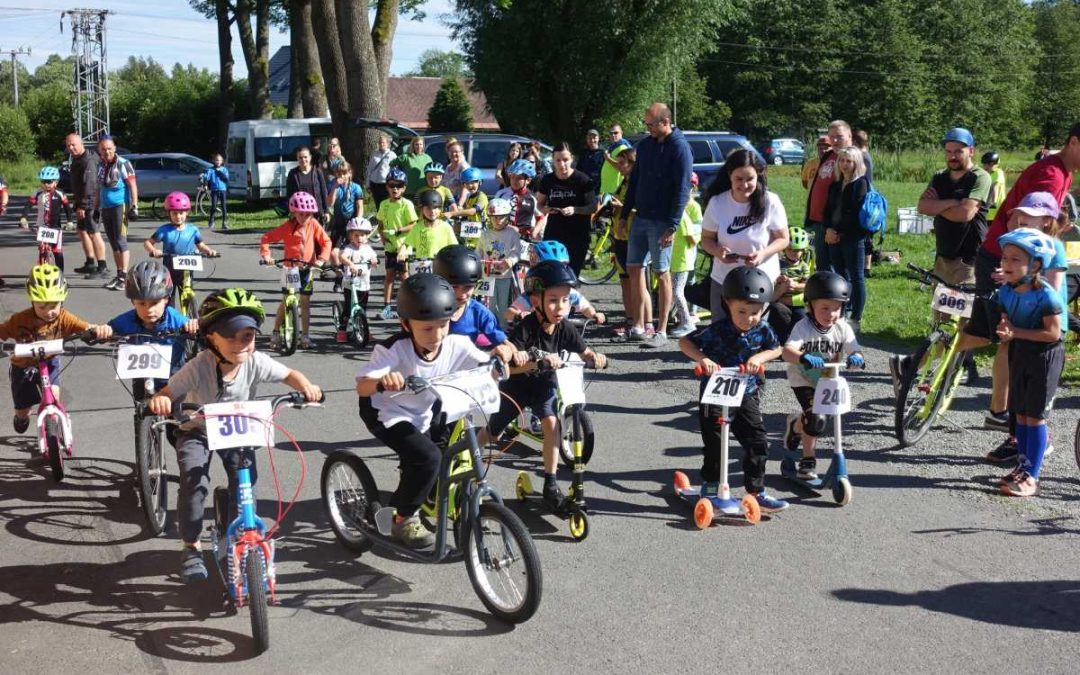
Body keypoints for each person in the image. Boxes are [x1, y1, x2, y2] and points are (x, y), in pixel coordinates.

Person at [147, 288, 322, 580]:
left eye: (248, 336)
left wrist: (306, 387)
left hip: (237, 429)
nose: (241, 344)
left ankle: (238, 534)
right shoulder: (198, 365)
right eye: (230, 335)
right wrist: (162, 400)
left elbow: (290, 374)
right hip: (198, 429)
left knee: (246, 483)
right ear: (210, 337)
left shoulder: (255, 360)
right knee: (194, 482)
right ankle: (191, 545)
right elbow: (168, 391)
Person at [355, 274, 493, 548]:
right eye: (427, 329)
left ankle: (414, 497)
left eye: (443, 325)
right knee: (427, 457)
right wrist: (384, 381)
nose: (437, 335)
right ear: (406, 324)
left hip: (425, 409)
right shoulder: (393, 349)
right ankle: (403, 520)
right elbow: (362, 386)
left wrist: (504, 360)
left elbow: (485, 363)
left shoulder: (455, 342)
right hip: (386, 412)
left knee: (440, 454)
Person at [974, 122, 1080, 431]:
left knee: (994, 331)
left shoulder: (1062, 170)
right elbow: (1032, 227)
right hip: (1010, 258)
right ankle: (1006, 417)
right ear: (1074, 142)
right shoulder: (1052, 173)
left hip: (1012, 257)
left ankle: (1005, 418)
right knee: (1001, 334)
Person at [484, 261, 607, 509]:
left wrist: (596, 358)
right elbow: (509, 367)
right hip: (516, 388)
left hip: (543, 387)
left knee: (552, 425)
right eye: (552, 300)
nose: (560, 307)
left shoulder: (566, 328)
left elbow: (584, 352)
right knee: (492, 433)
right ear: (535, 301)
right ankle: (464, 456)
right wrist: (533, 361)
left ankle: (550, 483)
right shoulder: (525, 328)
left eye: (565, 300)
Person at [677, 266, 789, 513]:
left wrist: (760, 358)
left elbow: (777, 348)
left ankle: (756, 491)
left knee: (757, 440)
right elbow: (685, 342)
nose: (748, 318)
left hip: (744, 392)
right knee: (715, 442)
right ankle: (710, 485)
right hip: (714, 393)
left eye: (755, 312)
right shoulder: (717, 330)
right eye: (742, 311)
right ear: (727, 304)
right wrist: (702, 359)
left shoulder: (762, 329)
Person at [964, 229, 1063, 496]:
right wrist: (1005, 326)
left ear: (1036, 265)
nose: (1007, 264)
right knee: (1019, 415)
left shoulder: (1046, 296)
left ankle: (1032, 476)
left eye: (1016, 260)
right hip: (1019, 351)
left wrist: (1015, 332)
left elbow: (1053, 333)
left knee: (1035, 417)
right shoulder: (1005, 292)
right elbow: (1006, 318)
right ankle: (1022, 466)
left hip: (1045, 356)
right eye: (1005, 258)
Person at [916, 127, 992, 379]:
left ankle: (956, 369)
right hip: (943, 259)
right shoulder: (939, 177)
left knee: (962, 322)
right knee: (941, 321)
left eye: (958, 151)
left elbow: (966, 214)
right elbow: (922, 206)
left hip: (968, 260)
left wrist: (940, 206)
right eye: (948, 151)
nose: (952, 156)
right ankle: (946, 368)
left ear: (971, 151)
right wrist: (951, 203)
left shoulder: (980, 177)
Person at [1, 264, 112, 433]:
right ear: (32, 301)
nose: (49, 312)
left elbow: (84, 326)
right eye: (42, 306)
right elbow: (3, 331)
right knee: (23, 409)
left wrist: (98, 330)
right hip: (23, 365)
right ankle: (21, 417)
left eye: (54, 305)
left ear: (62, 300)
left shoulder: (64, 318)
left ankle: (52, 425)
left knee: (54, 395)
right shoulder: (20, 320)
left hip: (49, 361)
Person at [621, 102, 693, 348]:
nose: (648, 128)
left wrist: (672, 226)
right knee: (633, 268)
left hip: (663, 221)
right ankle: (639, 325)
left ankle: (661, 330)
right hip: (640, 217)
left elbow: (683, 189)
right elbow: (635, 181)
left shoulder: (680, 148)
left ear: (665, 122)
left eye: (651, 124)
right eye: (646, 124)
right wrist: (623, 215)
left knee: (662, 273)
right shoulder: (645, 146)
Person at [781, 271, 864, 480]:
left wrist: (856, 358)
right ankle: (808, 461)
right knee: (816, 419)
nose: (831, 314)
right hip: (803, 379)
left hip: (827, 382)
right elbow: (787, 351)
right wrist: (803, 357)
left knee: (815, 420)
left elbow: (856, 350)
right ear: (810, 306)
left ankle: (795, 425)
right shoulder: (803, 327)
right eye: (824, 308)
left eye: (836, 308)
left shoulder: (842, 328)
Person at [699, 149, 790, 324]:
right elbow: (706, 239)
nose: (744, 184)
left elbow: (783, 239)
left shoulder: (771, 201)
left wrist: (762, 254)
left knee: (756, 330)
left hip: (761, 279)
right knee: (722, 328)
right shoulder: (717, 202)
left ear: (758, 176)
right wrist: (717, 251)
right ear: (729, 176)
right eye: (738, 179)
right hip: (725, 278)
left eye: (750, 179)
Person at [108, 261, 200, 401]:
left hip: (173, 376)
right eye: (142, 304)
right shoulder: (129, 319)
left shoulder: (174, 318)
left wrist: (192, 326)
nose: (149, 310)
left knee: (175, 414)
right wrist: (104, 330)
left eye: (154, 303)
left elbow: (190, 325)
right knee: (141, 407)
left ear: (166, 300)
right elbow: (111, 327)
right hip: (141, 375)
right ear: (133, 302)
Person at [259, 191, 332, 350]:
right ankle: (276, 332)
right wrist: (267, 256)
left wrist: (321, 259)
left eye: (308, 214)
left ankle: (305, 335)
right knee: (286, 300)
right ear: (293, 212)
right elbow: (266, 238)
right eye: (301, 214)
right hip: (289, 269)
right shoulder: (288, 226)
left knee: (305, 303)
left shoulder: (313, 224)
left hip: (307, 268)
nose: (305, 217)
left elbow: (326, 242)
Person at [434, 245, 516, 357]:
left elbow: (504, 342)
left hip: (464, 368)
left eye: (468, 287)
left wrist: (514, 353)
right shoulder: (429, 310)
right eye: (454, 287)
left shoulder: (479, 313)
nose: (462, 294)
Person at [823, 147, 871, 332]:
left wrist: (838, 231)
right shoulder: (835, 184)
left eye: (849, 161)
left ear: (856, 163)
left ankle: (856, 317)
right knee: (840, 276)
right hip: (833, 236)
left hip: (853, 237)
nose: (844, 164)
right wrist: (828, 229)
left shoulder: (861, 183)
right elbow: (827, 210)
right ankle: (842, 311)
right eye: (842, 160)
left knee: (857, 277)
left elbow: (854, 212)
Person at [504, 241, 605, 327]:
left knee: (584, 349)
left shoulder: (569, 293)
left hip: (562, 333)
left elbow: (585, 307)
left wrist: (594, 315)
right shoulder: (534, 295)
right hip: (535, 335)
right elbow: (509, 313)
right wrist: (519, 314)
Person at [143, 192, 218, 302]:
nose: (178, 216)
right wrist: (153, 250)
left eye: (181, 213)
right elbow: (147, 243)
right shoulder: (164, 230)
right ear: (169, 214)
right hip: (169, 270)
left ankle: (190, 315)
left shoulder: (193, 230)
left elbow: (200, 245)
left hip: (187, 270)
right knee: (169, 299)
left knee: (188, 296)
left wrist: (209, 251)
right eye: (174, 213)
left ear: (187, 212)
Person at [536, 142, 598, 276]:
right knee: (552, 273)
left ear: (572, 159)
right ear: (553, 160)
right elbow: (539, 204)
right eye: (558, 160)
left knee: (571, 274)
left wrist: (574, 210)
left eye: (565, 160)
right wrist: (545, 209)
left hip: (578, 233)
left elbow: (593, 207)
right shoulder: (548, 180)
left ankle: (570, 296)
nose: (562, 164)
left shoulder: (582, 179)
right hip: (554, 232)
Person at [805, 120, 854, 272]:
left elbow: (851, 193)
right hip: (819, 220)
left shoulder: (853, 158)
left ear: (849, 136)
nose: (834, 140)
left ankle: (837, 295)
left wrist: (835, 225)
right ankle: (823, 295)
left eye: (839, 136)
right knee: (822, 264)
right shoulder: (828, 155)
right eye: (831, 136)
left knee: (836, 267)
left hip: (835, 223)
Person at [93, 136, 139, 292]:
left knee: (121, 240)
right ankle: (119, 275)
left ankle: (124, 276)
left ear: (114, 148)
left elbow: (132, 185)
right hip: (106, 207)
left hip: (121, 205)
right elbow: (99, 189)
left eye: (109, 148)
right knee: (113, 242)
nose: (107, 152)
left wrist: (134, 205)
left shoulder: (123, 163)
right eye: (103, 149)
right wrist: (95, 209)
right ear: (99, 151)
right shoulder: (101, 165)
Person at [376, 168, 418, 320]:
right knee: (389, 276)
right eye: (392, 185)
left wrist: (400, 230)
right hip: (389, 246)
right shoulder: (384, 204)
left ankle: (411, 305)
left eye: (399, 186)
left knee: (404, 276)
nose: (395, 189)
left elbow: (414, 223)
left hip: (403, 246)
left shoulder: (406, 204)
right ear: (387, 187)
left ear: (404, 188)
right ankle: (386, 307)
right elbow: (380, 222)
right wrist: (382, 235)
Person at [65, 133, 108, 279]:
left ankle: (102, 266)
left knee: (94, 233)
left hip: (92, 203)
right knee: (82, 231)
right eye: (68, 145)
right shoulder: (76, 160)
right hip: (82, 202)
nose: (71, 148)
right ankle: (90, 263)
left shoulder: (88, 160)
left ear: (81, 144)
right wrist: (77, 203)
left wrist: (83, 206)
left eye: (73, 144)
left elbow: (90, 185)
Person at [333, 217, 378, 343]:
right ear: (350, 237)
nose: (359, 238)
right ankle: (342, 330)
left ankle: (364, 330)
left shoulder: (368, 249)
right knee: (348, 308)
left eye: (362, 235)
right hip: (350, 283)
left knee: (362, 308)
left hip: (364, 283)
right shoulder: (349, 248)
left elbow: (374, 258)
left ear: (367, 236)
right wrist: (350, 264)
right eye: (356, 235)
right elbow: (342, 256)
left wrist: (374, 261)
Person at [669, 172, 703, 338]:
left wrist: (691, 239)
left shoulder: (690, 209)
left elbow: (694, 234)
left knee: (678, 290)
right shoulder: (678, 208)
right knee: (677, 290)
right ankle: (683, 318)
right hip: (676, 256)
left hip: (683, 257)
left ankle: (688, 320)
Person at [21, 166, 72, 272]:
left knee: (57, 252)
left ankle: (60, 274)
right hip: (41, 226)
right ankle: (42, 273)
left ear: (56, 182)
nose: (46, 184)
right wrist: (24, 218)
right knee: (42, 250)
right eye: (43, 181)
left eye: (49, 182)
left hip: (55, 227)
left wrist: (69, 221)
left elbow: (67, 208)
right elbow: (28, 205)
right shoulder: (37, 192)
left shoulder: (60, 193)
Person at [478, 198, 521, 325]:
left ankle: (503, 328)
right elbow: (479, 250)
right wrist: (476, 262)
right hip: (487, 275)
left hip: (504, 275)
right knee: (488, 303)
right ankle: (489, 327)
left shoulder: (512, 233)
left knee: (503, 305)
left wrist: (510, 260)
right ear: (489, 217)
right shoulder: (485, 234)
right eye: (494, 217)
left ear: (507, 217)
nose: (498, 221)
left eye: (501, 217)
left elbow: (516, 251)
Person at [399, 189, 458, 262]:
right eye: (428, 208)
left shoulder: (446, 227)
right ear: (422, 209)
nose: (432, 211)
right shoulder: (417, 227)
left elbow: (454, 247)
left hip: (439, 266)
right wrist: (402, 251)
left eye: (435, 208)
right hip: (421, 266)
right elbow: (407, 243)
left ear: (440, 209)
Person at [773, 226, 814, 331]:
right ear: (784, 249)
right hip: (780, 299)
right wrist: (779, 282)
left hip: (797, 302)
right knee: (777, 311)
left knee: (802, 317)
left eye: (797, 250)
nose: (793, 253)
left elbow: (807, 285)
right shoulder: (778, 265)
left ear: (803, 251)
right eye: (790, 249)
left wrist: (795, 285)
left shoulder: (804, 266)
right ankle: (782, 337)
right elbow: (773, 282)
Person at [495, 159, 544, 239]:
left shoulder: (532, 198)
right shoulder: (501, 194)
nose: (515, 180)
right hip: (503, 237)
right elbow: (492, 215)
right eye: (513, 176)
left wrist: (534, 232)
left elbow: (541, 218)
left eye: (519, 178)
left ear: (528, 180)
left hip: (523, 239)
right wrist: (508, 227)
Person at [285, 146, 329, 225]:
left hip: (316, 213)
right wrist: (291, 211)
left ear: (310, 157)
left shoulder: (317, 172)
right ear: (297, 158)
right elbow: (289, 195)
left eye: (305, 157)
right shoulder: (293, 174)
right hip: (300, 214)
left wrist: (326, 211)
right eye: (300, 157)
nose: (303, 160)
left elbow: (323, 192)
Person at [326, 161, 365, 248]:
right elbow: (329, 203)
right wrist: (335, 187)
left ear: (350, 173)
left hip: (351, 222)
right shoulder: (333, 186)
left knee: (351, 249)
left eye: (344, 173)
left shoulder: (356, 187)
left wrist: (358, 221)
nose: (342, 176)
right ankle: (338, 262)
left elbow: (360, 206)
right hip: (338, 222)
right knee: (333, 251)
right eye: (339, 174)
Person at [446, 167, 488, 242]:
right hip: (472, 231)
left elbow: (472, 211)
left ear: (480, 182)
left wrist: (453, 213)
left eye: (473, 182)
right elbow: (467, 214)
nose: (470, 186)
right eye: (467, 183)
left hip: (482, 232)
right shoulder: (469, 198)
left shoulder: (482, 197)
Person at [366, 133, 397, 208]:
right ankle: (379, 219)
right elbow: (369, 169)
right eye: (380, 142)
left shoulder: (392, 155)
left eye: (383, 142)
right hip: (374, 183)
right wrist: (368, 184)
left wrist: (394, 184)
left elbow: (395, 170)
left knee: (386, 204)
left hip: (385, 184)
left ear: (387, 143)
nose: (381, 144)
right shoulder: (374, 154)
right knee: (378, 204)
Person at [600, 124, 631, 197]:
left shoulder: (622, 148)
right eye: (611, 133)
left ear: (621, 133)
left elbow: (623, 168)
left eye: (616, 133)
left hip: (614, 190)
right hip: (607, 189)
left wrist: (608, 159)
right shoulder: (613, 147)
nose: (613, 135)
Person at [201, 153, 230, 230]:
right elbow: (206, 178)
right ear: (213, 161)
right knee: (213, 206)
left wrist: (219, 172)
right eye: (216, 160)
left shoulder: (224, 169)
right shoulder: (210, 170)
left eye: (219, 160)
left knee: (224, 206)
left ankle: (225, 223)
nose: (218, 162)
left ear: (222, 161)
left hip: (223, 190)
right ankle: (211, 222)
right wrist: (205, 185)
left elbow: (226, 179)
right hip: (214, 190)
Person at [982, 151, 1006, 224]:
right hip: (987, 208)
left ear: (995, 164)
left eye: (989, 165)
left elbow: (995, 187)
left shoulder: (998, 173)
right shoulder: (986, 174)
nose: (985, 167)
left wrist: (993, 202)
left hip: (995, 208)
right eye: (984, 164)